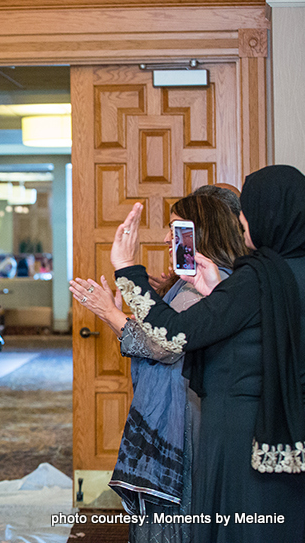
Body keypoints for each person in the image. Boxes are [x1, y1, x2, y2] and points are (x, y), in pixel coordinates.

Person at [106, 165, 305, 542]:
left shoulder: (260, 275)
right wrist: (217, 294)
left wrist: (128, 270)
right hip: (289, 427)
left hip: (243, 429)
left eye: (248, 208)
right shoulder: (281, 272)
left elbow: (174, 335)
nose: (242, 219)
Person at [70, 193, 247, 543]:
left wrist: (110, 312)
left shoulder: (211, 283)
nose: (168, 238)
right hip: (181, 409)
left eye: (175, 228)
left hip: (185, 417)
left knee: (174, 522)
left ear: (202, 232)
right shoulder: (192, 280)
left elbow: (163, 345)